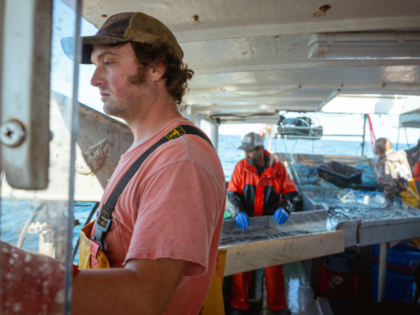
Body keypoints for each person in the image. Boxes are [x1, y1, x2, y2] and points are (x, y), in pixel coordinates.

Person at [1, 12, 226, 315]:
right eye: (95, 65)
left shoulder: (178, 160)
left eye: (108, 63)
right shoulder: (150, 149)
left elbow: (142, 298)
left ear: (157, 67)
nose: (94, 79)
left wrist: (19, 274)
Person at [227, 132, 298, 315]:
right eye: (244, 151)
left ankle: (278, 306)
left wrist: (285, 208)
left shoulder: (278, 168)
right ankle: (238, 305)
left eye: (249, 151)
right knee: (241, 265)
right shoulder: (240, 167)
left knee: (274, 266)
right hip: (246, 225)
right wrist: (238, 211)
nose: (246, 155)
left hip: (270, 225)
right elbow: (232, 193)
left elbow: (291, 193)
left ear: (260, 149)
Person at [374, 138, 419, 208]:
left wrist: (388, 203)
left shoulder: (381, 165)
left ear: (376, 149)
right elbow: (416, 151)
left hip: (404, 205)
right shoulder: (402, 154)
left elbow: (389, 185)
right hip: (415, 199)